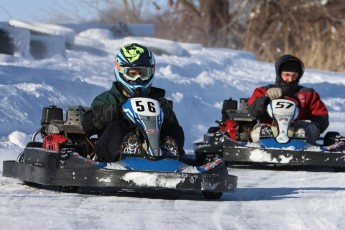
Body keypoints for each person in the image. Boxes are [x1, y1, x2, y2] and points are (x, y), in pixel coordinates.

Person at [82, 43, 185, 162]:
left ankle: (169, 155)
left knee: (172, 128)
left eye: (143, 73)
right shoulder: (107, 99)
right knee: (117, 126)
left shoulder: (159, 101)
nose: (138, 79)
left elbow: (175, 127)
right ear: (120, 71)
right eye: (132, 74)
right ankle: (129, 150)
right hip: (112, 158)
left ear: (151, 72)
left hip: (157, 154)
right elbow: (87, 125)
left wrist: (167, 113)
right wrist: (110, 112)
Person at [247, 54, 329, 144]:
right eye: (287, 75)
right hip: (270, 130)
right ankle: (261, 150)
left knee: (307, 129)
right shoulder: (263, 91)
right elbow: (252, 111)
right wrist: (266, 98)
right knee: (260, 131)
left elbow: (322, 118)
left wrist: (310, 124)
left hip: (299, 133)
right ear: (279, 74)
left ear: (299, 76)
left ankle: (302, 145)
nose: (290, 79)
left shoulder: (309, 94)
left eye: (294, 75)